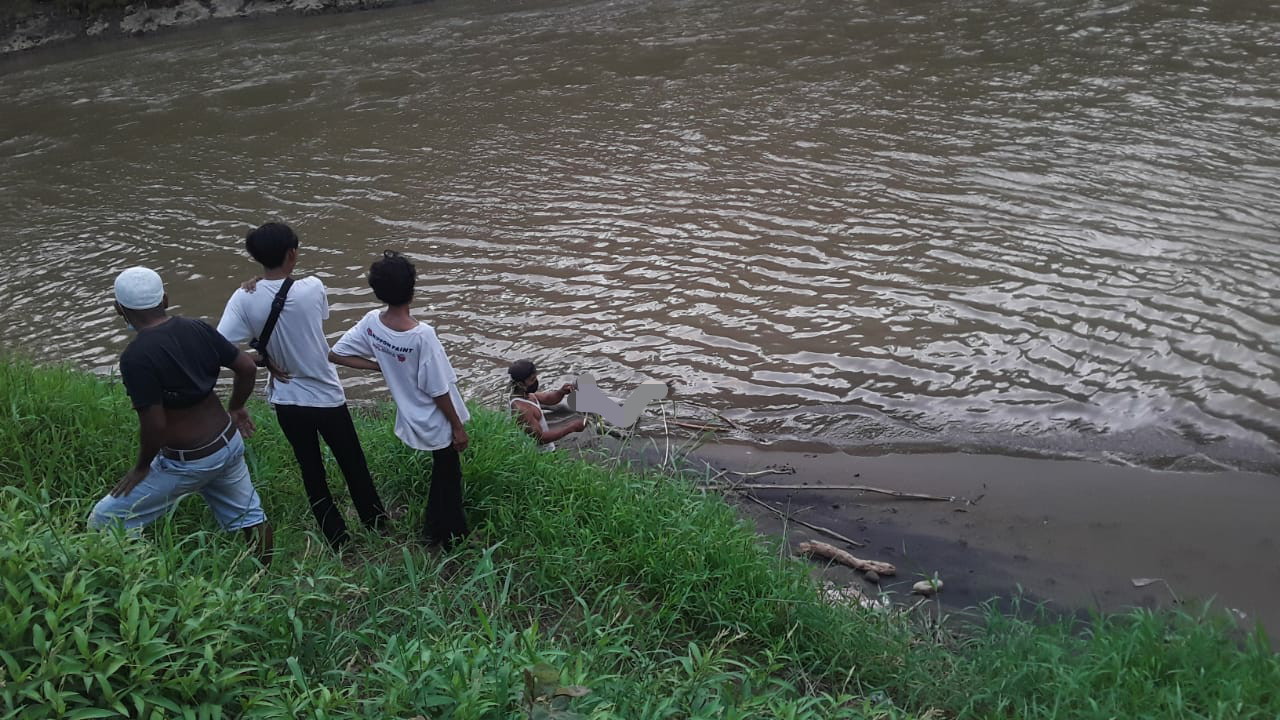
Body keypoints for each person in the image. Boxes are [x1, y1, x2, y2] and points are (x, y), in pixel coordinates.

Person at [217, 222, 388, 551]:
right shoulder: (312, 287)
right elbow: (309, 319)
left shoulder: (243, 297)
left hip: (286, 400)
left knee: (311, 469)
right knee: (353, 462)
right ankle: (376, 522)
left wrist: (262, 358)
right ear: (292, 254)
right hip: (326, 397)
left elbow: (219, 347)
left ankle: (336, 538)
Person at [90, 267, 273, 563]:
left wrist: (141, 467)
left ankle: (138, 577)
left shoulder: (136, 357)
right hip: (228, 442)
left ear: (118, 309)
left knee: (105, 517)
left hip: (190, 460)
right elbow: (247, 367)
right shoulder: (196, 328)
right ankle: (265, 577)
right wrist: (237, 407)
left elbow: (155, 425)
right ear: (164, 299)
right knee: (250, 516)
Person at [329, 251, 470, 549]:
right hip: (436, 418)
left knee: (444, 473)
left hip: (410, 415)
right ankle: (445, 536)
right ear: (412, 289)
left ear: (377, 291)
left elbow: (337, 353)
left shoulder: (372, 323)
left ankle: (441, 530)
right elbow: (438, 389)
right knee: (447, 478)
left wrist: (379, 365)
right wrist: (457, 426)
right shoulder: (422, 336)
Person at [507, 359, 587, 451]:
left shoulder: (523, 394)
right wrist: (571, 427)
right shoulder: (522, 409)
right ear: (521, 383)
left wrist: (561, 392)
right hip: (539, 455)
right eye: (532, 379)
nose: (536, 381)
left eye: (535, 377)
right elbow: (541, 438)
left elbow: (548, 399)